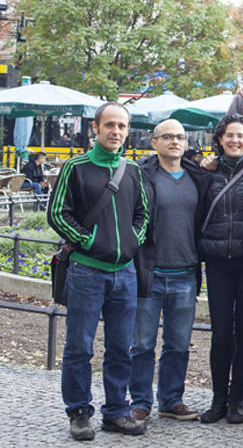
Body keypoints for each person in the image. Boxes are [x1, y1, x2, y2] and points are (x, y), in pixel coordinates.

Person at [47, 102, 149, 441]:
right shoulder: (75, 167)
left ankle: (116, 412)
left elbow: (143, 214)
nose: (116, 131)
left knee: (121, 348)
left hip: (125, 273)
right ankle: (78, 412)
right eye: (109, 125)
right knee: (80, 347)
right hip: (87, 272)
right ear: (96, 128)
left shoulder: (132, 170)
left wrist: (133, 241)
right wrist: (87, 240)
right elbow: (58, 213)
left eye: (122, 126)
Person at [129, 120, 208, 423]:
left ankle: (171, 399)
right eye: (167, 137)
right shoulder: (142, 175)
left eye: (179, 137)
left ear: (186, 143)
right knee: (143, 344)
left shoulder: (197, 177)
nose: (174, 141)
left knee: (178, 344)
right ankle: (140, 402)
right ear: (154, 143)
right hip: (150, 273)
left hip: (186, 274)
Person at [198, 114, 243, 424]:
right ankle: (218, 398)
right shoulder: (206, 173)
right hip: (217, 262)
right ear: (220, 139)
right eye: (229, 135)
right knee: (220, 334)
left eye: (241, 136)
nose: (235, 141)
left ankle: (239, 397)